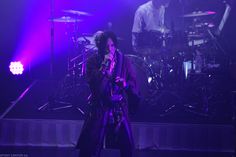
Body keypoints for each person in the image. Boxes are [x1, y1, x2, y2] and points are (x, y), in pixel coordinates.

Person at [76, 31, 140, 157]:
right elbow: (93, 84)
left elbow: (134, 86)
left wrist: (125, 84)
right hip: (100, 106)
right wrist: (104, 67)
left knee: (127, 144)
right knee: (91, 144)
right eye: (106, 46)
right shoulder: (93, 61)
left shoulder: (124, 61)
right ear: (100, 47)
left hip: (118, 106)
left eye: (111, 46)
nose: (109, 49)